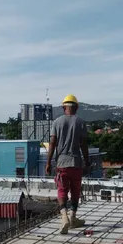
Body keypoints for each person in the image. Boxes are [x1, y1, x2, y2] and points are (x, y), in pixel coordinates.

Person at [45, 94, 90, 234]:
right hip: (76, 163)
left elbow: (52, 143)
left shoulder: (57, 122)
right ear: (76, 108)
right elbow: (84, 145)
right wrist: (87, 162)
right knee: (76, 190)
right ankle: (73, 218)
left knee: (62, 190)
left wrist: (48, 162)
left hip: (61, 163)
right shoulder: (81, 122)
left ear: (64, 107)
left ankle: (64, 217)